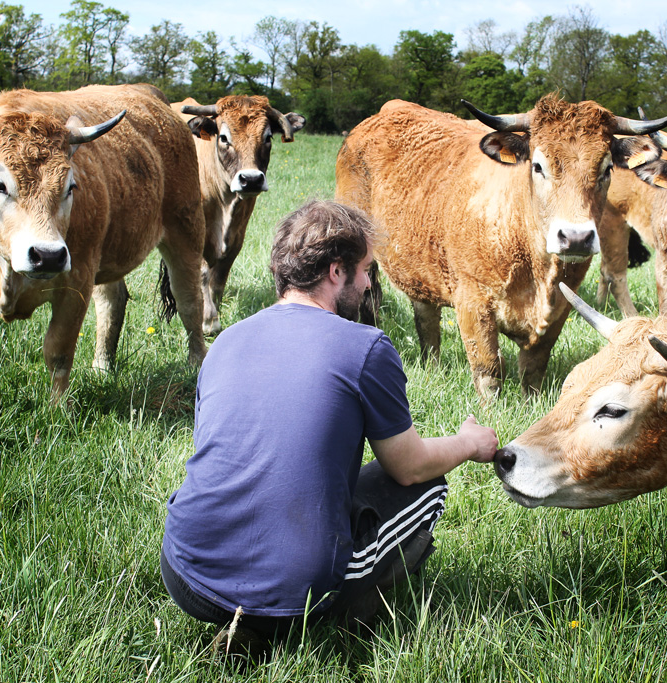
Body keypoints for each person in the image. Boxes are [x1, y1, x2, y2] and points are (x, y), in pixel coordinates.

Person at [160, 200, 499, 641]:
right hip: (299, 588)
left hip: (183, 570)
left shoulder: (226, 341)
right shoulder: (366, 347)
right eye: (366, 272)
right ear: (336, 272)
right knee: (429, 486)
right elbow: (409, 465)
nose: (368, 285)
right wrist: (469, 442)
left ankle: (250, 611)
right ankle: (313, 623)